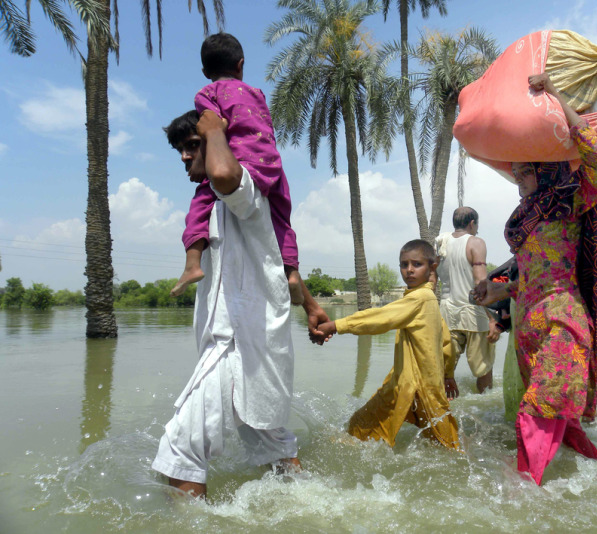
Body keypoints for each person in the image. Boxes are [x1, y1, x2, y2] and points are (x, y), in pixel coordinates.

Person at [152, 109, 331, 498]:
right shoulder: (217, 204)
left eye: (192, 146)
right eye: (180, 149)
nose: (184, 156)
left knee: (180, 448)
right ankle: (313, 505)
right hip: (249, 350)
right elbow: (281, 270)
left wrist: (215, 129)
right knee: (272, 445)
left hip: (232, 347)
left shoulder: (243, 192)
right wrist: (312, 307)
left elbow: (226, 175)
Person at [473, 73, 597, 485]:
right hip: (528, 332)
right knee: (565, 427)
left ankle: (522, 499)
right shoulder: (524, 221)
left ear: (546, 169)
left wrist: (556, 93)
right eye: (517, 172)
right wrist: (497, 290)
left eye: (524, 172)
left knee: (536, 412)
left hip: (564, 324)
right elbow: (532, 282)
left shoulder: (572, 202)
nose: (517, 180)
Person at [170, 32, 303, 306]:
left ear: (205, 71)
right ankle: (292, 271)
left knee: (199, 204)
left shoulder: (207, 94)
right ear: (241, 65)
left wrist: (203, 162)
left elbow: (213, 128)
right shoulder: (257, 94)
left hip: (240, 164)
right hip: (272, 167)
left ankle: (192, 263)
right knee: (283, 221)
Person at [317, 240, 461, 451]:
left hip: (417, 387)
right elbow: (446, 343)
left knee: (446, 445)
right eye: (404, 264)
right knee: (442, 445)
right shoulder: (428, 298)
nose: (409, 270)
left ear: (433, 267)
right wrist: (448, 375)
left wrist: (337, 325)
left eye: (416, 264)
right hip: (413, 384)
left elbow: (381, 317)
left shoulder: (420, 298)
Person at [435, 207, 500, 394]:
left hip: (447, 314)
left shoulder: (441, 243)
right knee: (484, 368)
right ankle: (487, 408)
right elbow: (480, 284)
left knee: (445, 368)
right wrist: (492, 318)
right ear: (472, 223)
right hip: (474, 314)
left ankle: (443, 409)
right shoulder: (475, 243)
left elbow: (432, 279)